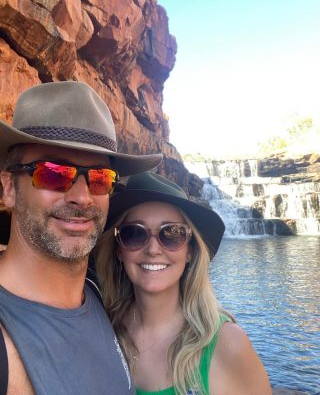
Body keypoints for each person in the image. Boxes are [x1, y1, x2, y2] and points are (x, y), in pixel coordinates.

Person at [0, 81, 162, 395]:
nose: (82, 197)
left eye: (100, 179)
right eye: (54, 173)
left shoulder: (102, 298)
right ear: (8, 188)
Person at [95, 172, 272, 395]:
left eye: (172, 233)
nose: (152, 249)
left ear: (190, 251)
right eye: (134, 233)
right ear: (119, 249)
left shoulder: (226, 344)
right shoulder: (101, 329)